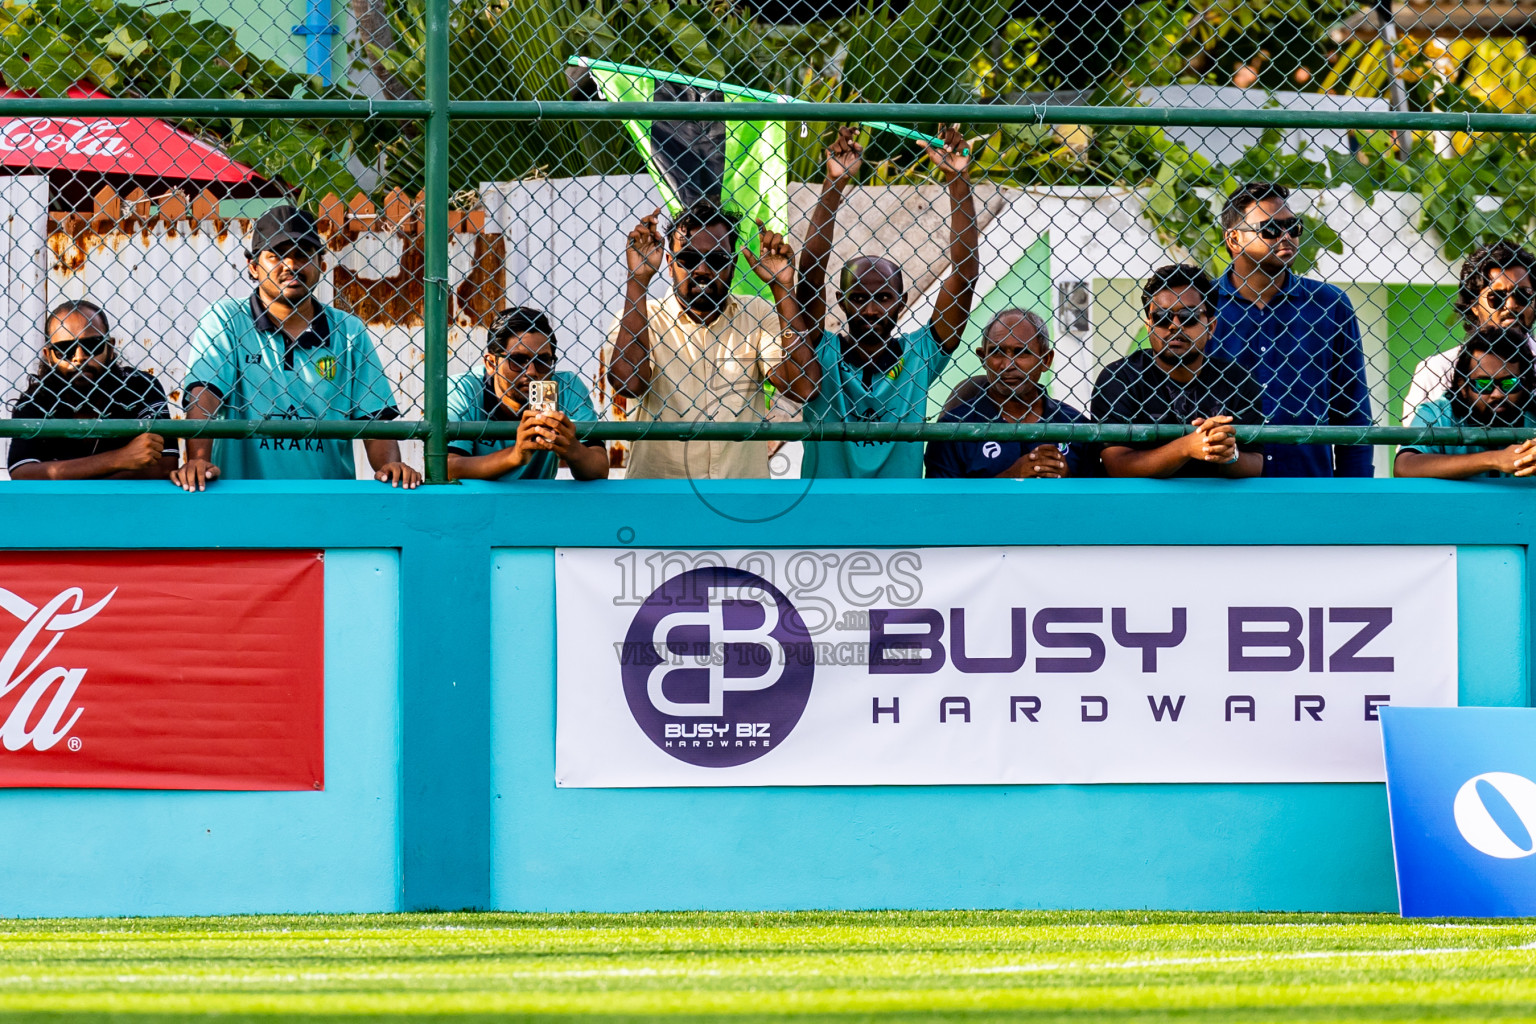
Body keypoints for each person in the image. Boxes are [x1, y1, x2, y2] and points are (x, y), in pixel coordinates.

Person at [171, 205, 420, 491]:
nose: (291, 265)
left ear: (321, 264)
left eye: (303, 254)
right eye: (276, 255)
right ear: (253, 266)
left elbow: (373, 418)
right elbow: (204, 394)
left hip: (326, 502)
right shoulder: (227, 319)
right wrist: (197, 459)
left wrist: (388, 465)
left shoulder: (348, 330)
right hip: (242, 499)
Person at [793, 125, 980, 478]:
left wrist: (958, 179)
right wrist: (834, 183)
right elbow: (811, 275)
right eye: (859, 297)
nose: (870, 309)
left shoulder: (920, 355)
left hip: (899, 516)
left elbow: (965, 274)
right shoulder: (820, 352)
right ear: (841, 301)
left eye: (882, 297)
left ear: (902, 302)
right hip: (826, 516)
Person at [606, 203, 813, 479]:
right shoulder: (641, 318)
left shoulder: (759, 314)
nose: (703, 270)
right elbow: (628, 384)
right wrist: (637, 281)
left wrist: (783, 288)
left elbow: (801, 388)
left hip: (740, 501)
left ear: (733, 264)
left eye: (716, 260)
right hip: (661, 500)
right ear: (669, 264)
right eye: (689, 259)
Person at [1210, 182, 1373, 478]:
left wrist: (1355, 492)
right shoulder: (1202, 308)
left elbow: (1352, 408)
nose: (1286, 236)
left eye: (1293, 226)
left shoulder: (1329, 304)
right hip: (1223, 485)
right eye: (1270, 228)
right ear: (1234, 239)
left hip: (1309, 487)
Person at [1092, 265, 1264, 478]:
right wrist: (1186, 447)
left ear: (1210, 326)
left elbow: (1256, 462)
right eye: (1162, 316)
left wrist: (1226, 453)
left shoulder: (1237, 379)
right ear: (1149, 326)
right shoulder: (1119, 379)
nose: (1174, 326)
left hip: (1216, 504)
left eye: (1188, 315)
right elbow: (1116, 465)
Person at [7, 300, 177, 480]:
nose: (79, 358)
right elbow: (23, 471)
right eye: (65, 349)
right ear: (49, 356)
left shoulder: (141, 386)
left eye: (92, 345)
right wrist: (120, 458)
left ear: (110, 348)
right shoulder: (35, 401)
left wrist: (71, 476)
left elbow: (164, 466)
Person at [447, 306, 608, 481]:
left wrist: (573, 449)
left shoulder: (565, 387)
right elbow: (447, 468)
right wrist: (514, 456)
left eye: (542, 361)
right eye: (518, 360)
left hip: (538, 502)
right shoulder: (463, 389)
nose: (531, 371)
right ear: (491, 364)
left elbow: (599, 469)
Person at [924, 309, 1088, 479]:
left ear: (1045, 359)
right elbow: (941, 503)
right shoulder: (952, 429)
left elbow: (1096, 501)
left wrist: (1069, 483)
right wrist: (1010, 478)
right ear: (983, 358)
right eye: (997, 352)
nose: (1008, 365)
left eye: (1021, 352)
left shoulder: (1077, 425)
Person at [1402, 242, 1536, 426]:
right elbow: (1415, 447)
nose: (1511, 305)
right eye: (1497, 297)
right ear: (1474, 305)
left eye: (1523, 295)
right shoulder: (1438, 369)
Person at [1394, 326, 1536, 479]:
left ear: (1527, 384)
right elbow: (1404, 467)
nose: (1497, 394)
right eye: (1483, 384)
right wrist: (1495, 459)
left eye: (1510, 383)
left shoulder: (1532, 413)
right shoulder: (1439, 414)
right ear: (1463, 386)